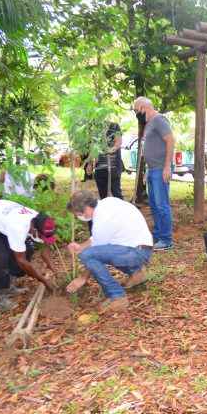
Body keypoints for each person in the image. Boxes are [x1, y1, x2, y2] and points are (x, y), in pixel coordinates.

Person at [65, 191, 153, 313]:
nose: (80, 217)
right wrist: (81, 246)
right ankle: (137, 273)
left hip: (134, 253)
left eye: (79, 214)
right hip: (142, 248)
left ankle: (117, 296)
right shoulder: (108, 202)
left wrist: (82, 278)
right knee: (94, 252)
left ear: (86, 209)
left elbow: (93, 253)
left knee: (86, 255)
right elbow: (97, 240)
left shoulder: (101, 220)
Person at [0, 199, 57, 311]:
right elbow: (21, 261)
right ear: (34, 229)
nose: (42, 239)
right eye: (41, 236)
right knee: (1, 258)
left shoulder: (39, 220)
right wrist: (44, 281)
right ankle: (1, 295)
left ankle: (10, 283)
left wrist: (52, 267)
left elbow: (45, 246)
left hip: (1, 219)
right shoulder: (18, 227)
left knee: (28, 250)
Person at [133, 96, 174, 251]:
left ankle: (166, 240)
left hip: (160, 169)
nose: (136, 113)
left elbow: (170, 140)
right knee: (155, 205)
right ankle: (157, 236)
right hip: (152, 169)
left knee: (162, 205)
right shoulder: (149, 124)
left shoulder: (159, 120)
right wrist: (147, 171)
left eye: (136, 110)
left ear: (144, 107)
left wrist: (167, 167)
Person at [94, 122, 124, 200]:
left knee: (116, 193)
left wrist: (111, 150)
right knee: (103, 196)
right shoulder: (95, 128)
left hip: (113, 167)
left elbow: (119, 142)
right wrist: (90, 164)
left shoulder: (114, 126)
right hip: (99, 168)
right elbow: (93, 148)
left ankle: (121, 211)